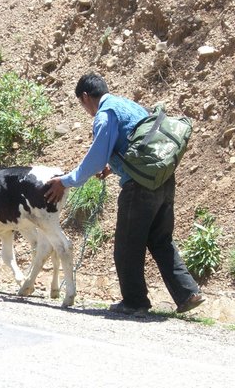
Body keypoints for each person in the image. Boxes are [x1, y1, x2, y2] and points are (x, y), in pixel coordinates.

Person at [45, 72, 205, 316]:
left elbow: (94, 160)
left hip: (138, 188)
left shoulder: (105, 114)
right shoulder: (128, 104)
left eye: (81, 104)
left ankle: (135, 302)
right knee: (160, 240)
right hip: (163, 181)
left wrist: (65, 182)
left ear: (85, 97)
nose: (85, 110)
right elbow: (140, 143)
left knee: (127, 246)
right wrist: (115, 166)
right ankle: (187, 293)